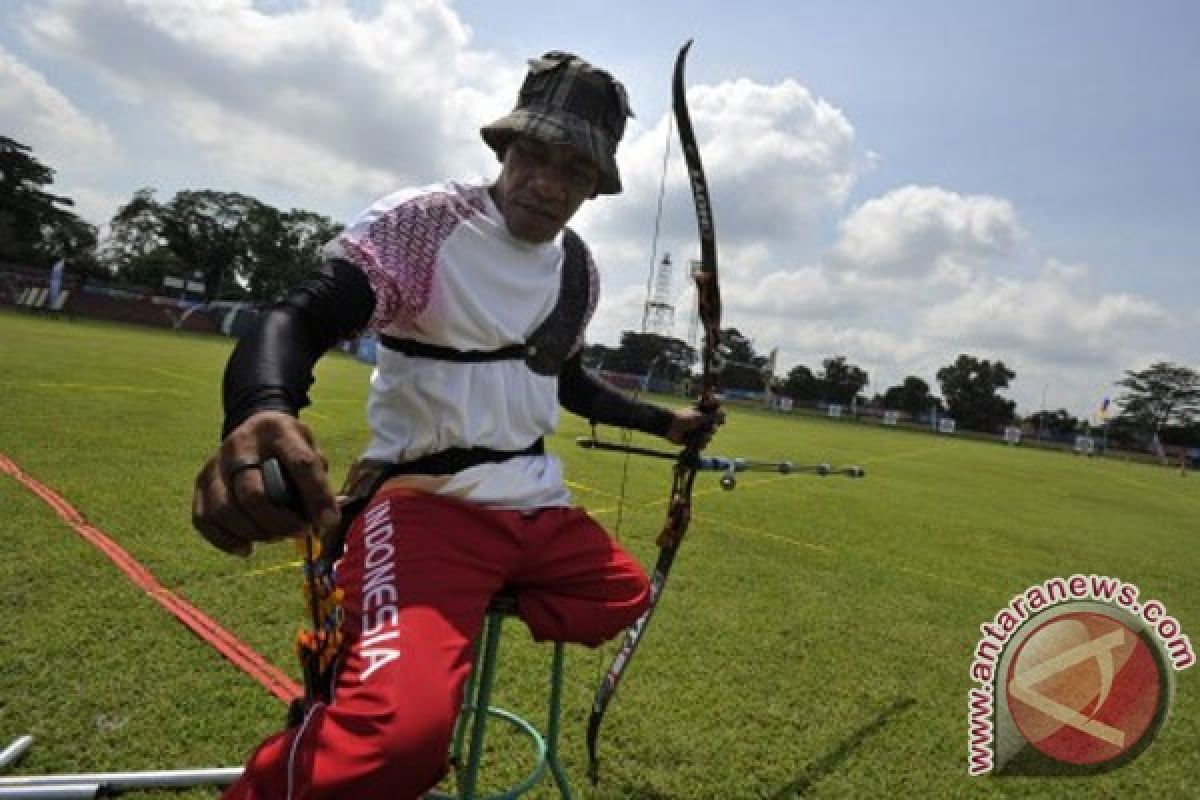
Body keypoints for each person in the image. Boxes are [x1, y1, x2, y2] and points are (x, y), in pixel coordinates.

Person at [192, 50, 719, 799]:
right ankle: (353, 703)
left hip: (538, 510)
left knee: (626, 595)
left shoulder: (578, 267)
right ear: (504, 147)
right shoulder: (425, 224)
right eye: (533, 152)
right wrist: (262, 407)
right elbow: (301, 315)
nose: (547, 180)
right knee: (396, 749)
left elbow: (559, 377)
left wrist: (664, 423)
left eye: (575, 168)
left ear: (597, 185)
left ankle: (418, 638)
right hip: (426, 508)